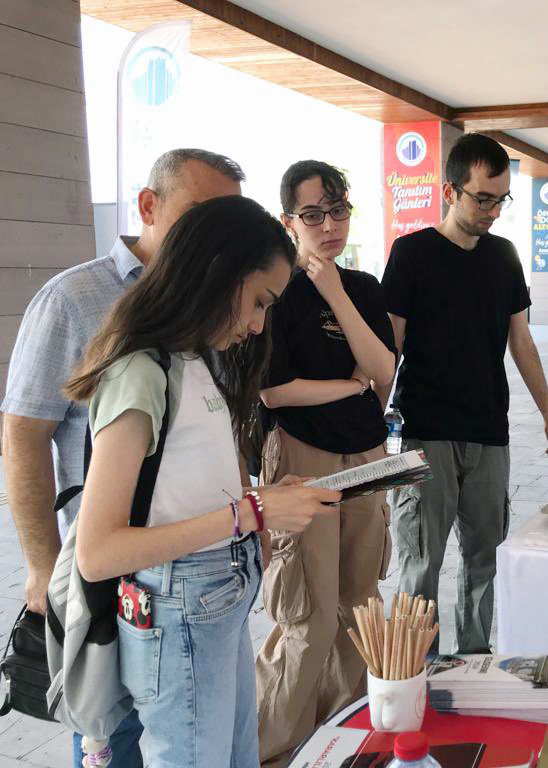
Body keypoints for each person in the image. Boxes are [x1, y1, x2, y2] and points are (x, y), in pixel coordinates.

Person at [65, 195, 341, 767]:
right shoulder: (140, 371)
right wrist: (251, 516)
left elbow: (181, 487)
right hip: (179, 609)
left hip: (215, 601)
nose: (259, 323)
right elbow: (98, 552)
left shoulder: (192, 359)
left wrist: (259, 499)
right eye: (259, 302)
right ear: (217, 272)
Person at [1, 148, 244, 768]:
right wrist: (40, 566)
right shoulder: (74, 298)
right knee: (116, 738)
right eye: (199, 216)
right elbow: (24, 434)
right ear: (148, 207)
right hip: (108, 578)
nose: (213, 238)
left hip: (194, 578)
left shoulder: (208, 305)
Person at [382, 133, 548, 653]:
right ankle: (414, 672)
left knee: (485, 558)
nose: (493, 211)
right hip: (426, 435)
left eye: (500, 199)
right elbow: (388, 349)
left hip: (490, 434)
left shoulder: (503, 256)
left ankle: (473, 665)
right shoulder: (412, 254)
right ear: (450, 190)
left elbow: (522, 339)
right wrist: (371, 428)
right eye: (482, 198)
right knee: (421, 563)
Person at [255, 161, 396, 768]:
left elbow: (385, 372)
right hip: (301, 460)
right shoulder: (276, 290)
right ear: (289, 220)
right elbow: (274, 391)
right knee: (307, 613)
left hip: (366, 455)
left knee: (360, 604)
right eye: (313, 214)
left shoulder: (362, 286)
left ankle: (343, 733)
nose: (329, 224)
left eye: (338, 211)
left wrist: (336, 292)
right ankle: (272, 746)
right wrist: (349, 385)